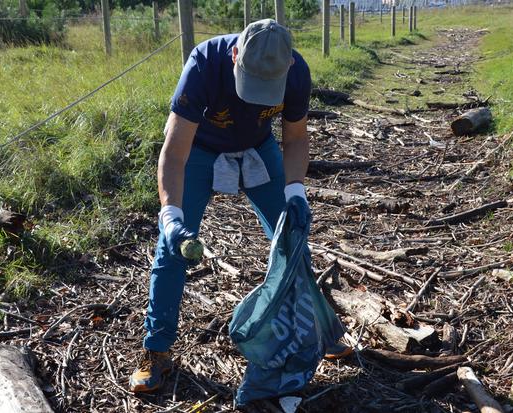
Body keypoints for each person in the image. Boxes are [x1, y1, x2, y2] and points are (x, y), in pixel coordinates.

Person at [129, 19, 351, 394]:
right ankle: (157, 349)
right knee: (172, 247)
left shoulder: (296, 73)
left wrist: (295, 191)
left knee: (292, 237)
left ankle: (314, 330)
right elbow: (175, 150)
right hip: (200, 150)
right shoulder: (204, 64)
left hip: (258, 148)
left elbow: (295, 138)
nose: (255, 97)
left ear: (288, 68)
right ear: (235, 55)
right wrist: (170, 214)